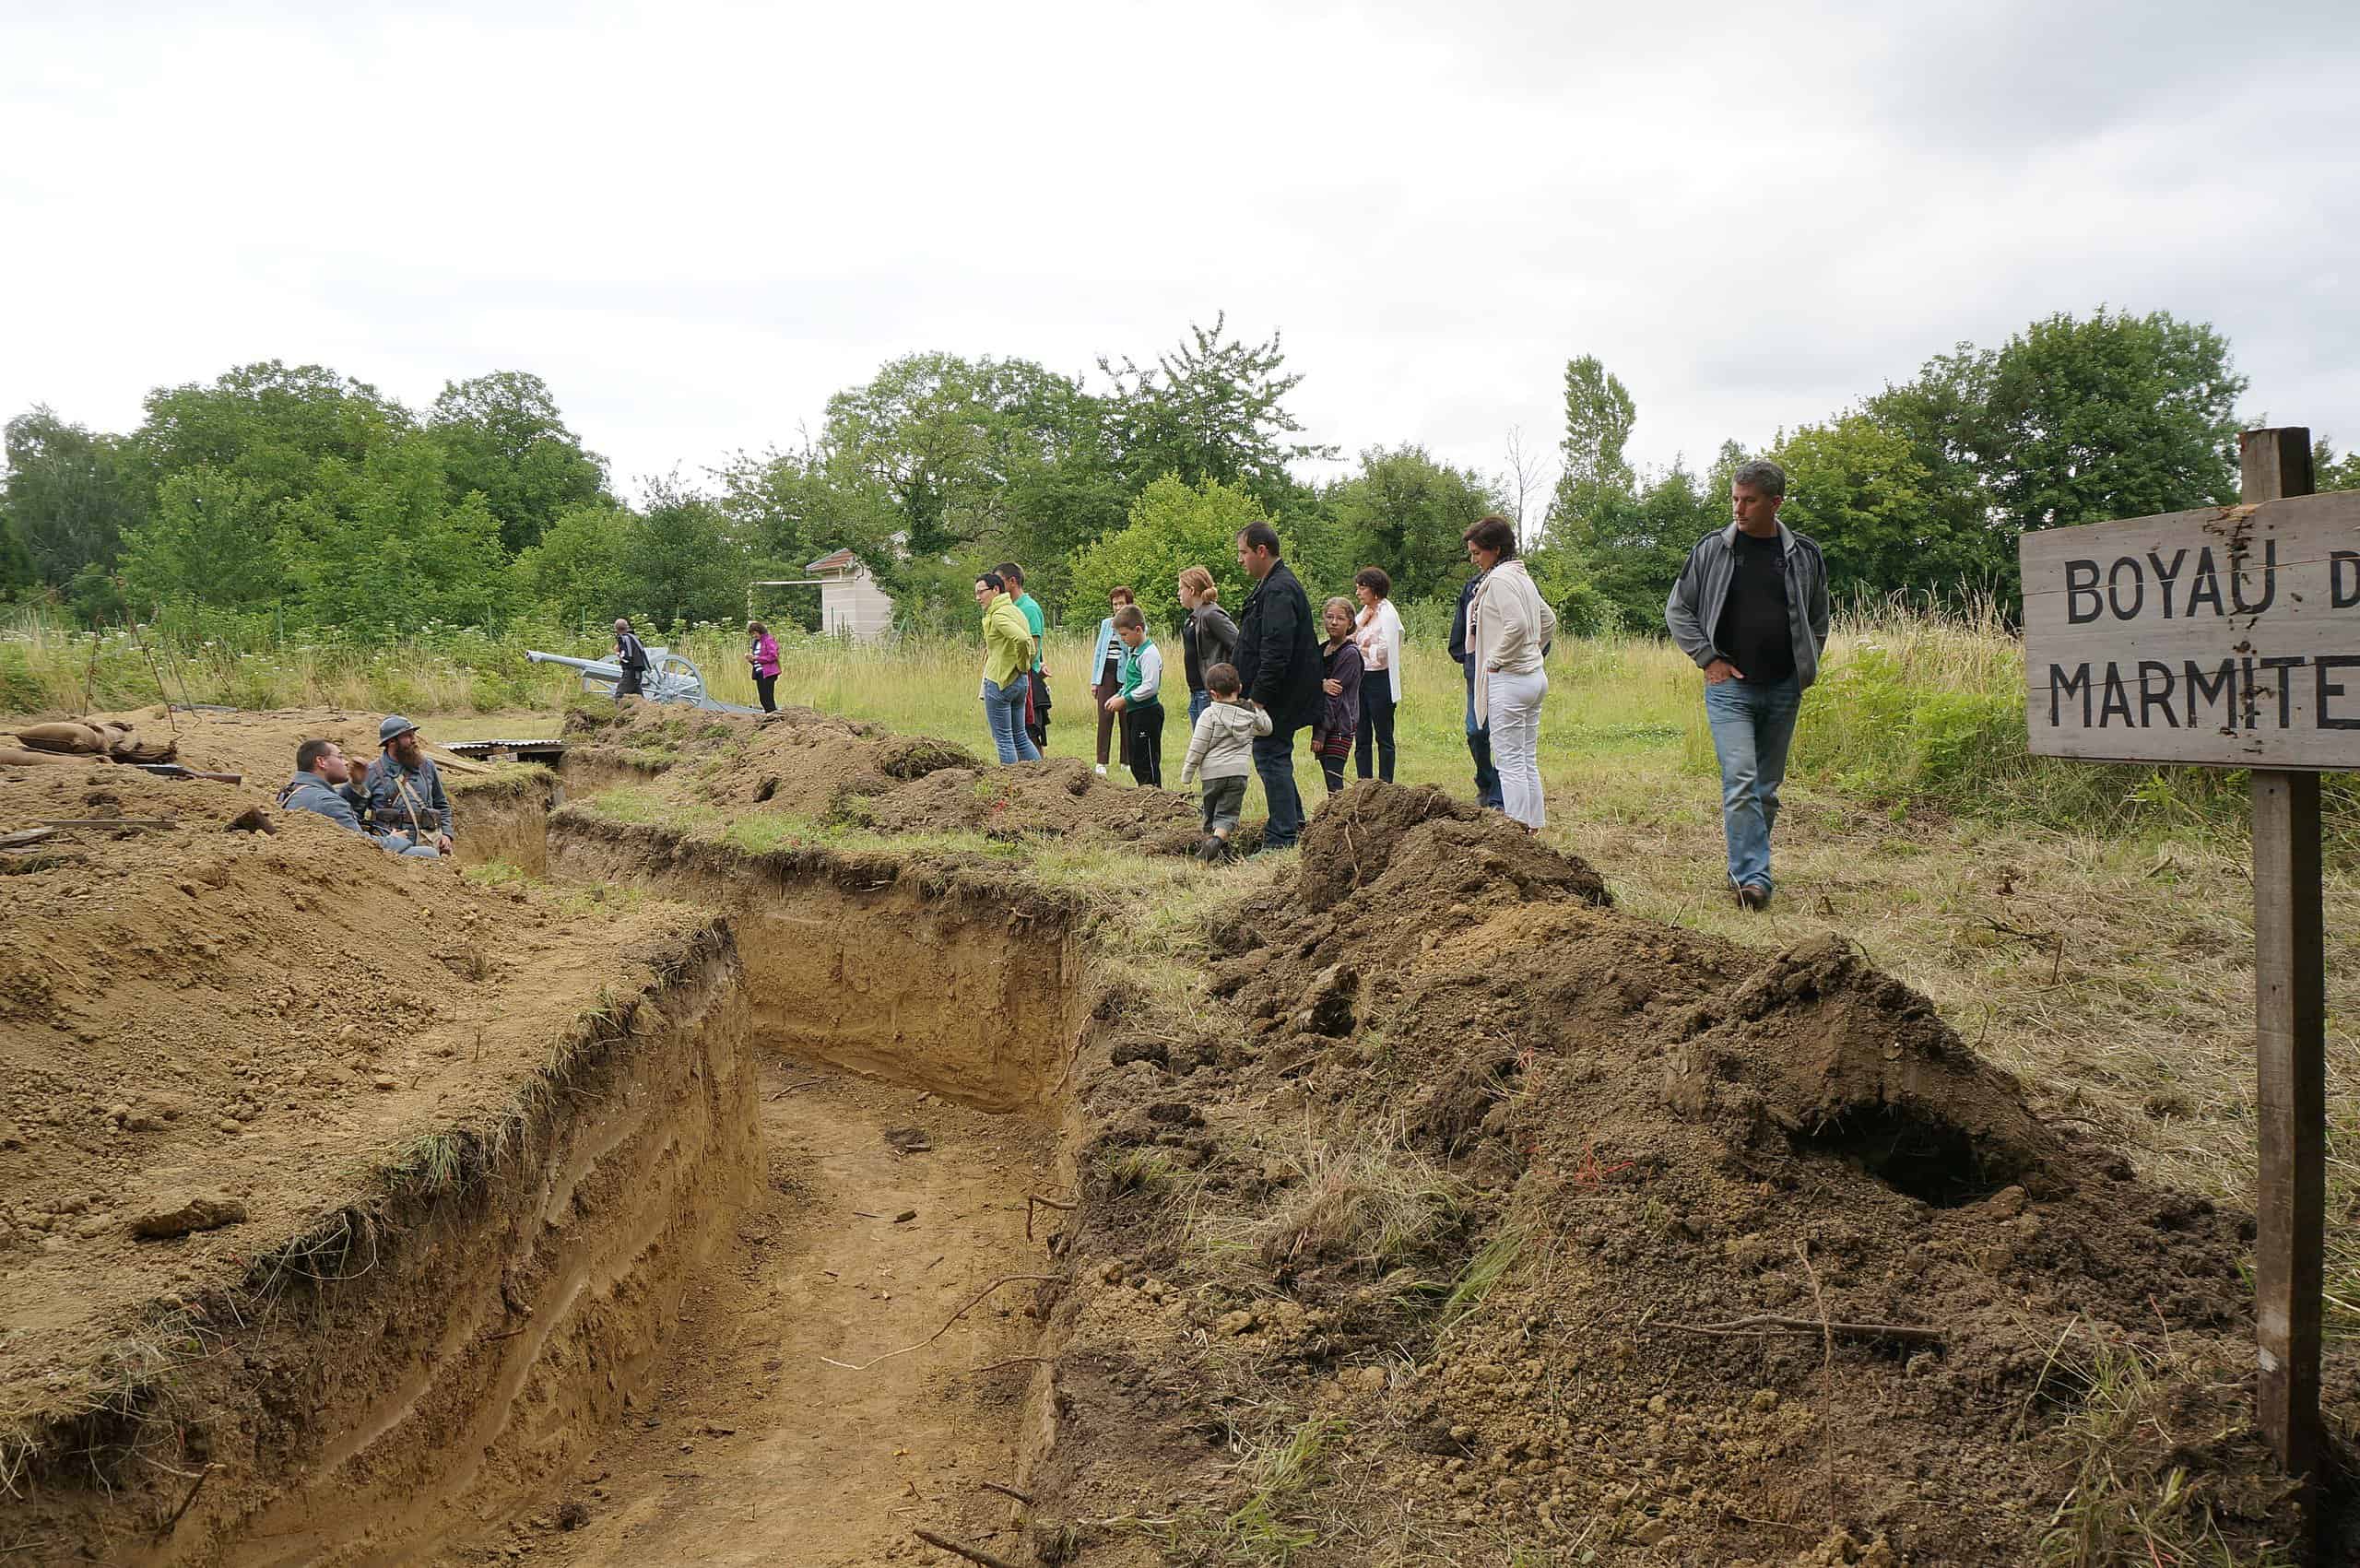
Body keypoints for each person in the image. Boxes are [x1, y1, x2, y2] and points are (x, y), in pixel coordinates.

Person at [1665, 457, 1831, 911]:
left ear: (1775, 502)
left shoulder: (1804, 554)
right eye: (1735, 499)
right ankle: (1752, 879)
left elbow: (1819, 618)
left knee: (1765, 789)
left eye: (1749, 501)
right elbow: (1678, 610)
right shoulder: (1713, 549)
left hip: (1783, 687)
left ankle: (1750, 862)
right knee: (1740, 779)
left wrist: (1805, 667)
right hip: (1730, 690)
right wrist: (1708, 658)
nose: (1738, 509)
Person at [1233, 524, 1321, 852]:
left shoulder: (1279, 591)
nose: (1240, 560)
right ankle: (1295, 824)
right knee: (1274, 756)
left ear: (1261, 551)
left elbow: (1276, 652)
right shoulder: (1271, 586)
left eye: (1243, 552)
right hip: (1279, 693)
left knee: (1271, 756)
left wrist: (1257, 699)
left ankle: (1282, 837)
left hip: (1280, 696)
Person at [1464, 516, 1554, 833]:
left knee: (1509, 762)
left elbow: (1517, 625)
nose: (1474, 560)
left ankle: (1516, 834)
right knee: (1526, 758)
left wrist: (1496, 660)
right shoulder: (1521, 576)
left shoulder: (1501, 580)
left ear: (1496, 549)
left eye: (1478, 553)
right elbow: (1549, 621)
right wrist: (1532, 651)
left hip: (1511, 680)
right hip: (1533, 677)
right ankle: (1533, 827)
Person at [280, 739, 440, 857]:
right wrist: (395, 840)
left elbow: (340, 811)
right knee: (429, 854)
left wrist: (356, 784)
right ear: (321, 762)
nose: (346, 762)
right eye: (340, 756)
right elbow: (361, 845)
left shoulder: (290, 792)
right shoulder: (326, 801)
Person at [1178, 662, 1270, 862]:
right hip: (1238, 773)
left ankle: (1212, 844)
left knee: (1211, 816)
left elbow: (1198, 746)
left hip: (1212, 774)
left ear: (1213, 694)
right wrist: (1257, 708)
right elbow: (1267, 728)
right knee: (1227, 815)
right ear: (1239, 688)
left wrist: (1188, 772)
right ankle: (1221, 849)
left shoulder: (1209, 715)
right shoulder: (1249, 714)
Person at [361, 715, 455, 855]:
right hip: (393, 849)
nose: (414, 740)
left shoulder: (427, 766)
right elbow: (354, 813)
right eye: (408, 736)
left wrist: (446, 834)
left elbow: (441, 804)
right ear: (392, 741)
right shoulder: (371, 772)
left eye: (413, 735)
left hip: (429, 841)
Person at [1449, 565, 1503, 809]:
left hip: (1506, 671)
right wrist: (1468, 657)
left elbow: (1537, 624)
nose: (1473, 559)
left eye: (1478, 552)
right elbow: (1459, 630)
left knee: (1503, 733)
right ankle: (1485, 779)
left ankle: (1499, 797)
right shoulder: (1472, 587)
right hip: (1476, 673)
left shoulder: (1512, 583)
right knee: (1476, 731)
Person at [976, 572, 1042, 764]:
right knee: (1020, 737)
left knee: (1004, 739)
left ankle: (1010, 786)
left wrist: (1022, 664)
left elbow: (1021, 639)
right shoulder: (1015, 610)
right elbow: (1029, 641)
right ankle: (1043, 779)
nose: (978, 597)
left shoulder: (998, 615)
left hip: (1000, 681)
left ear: (995, 590)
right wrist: (1024, 666)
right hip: (1020, 682)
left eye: (981, 592)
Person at [1351, 567, 1404, 782]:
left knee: (1383, 735)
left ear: (1375, 590)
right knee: (1361, 734)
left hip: (1380, 679)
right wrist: (1359, 636)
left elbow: (1383, 653)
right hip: (1360, 677)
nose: (1358, 592)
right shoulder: (1364, 613)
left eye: (1362, 587)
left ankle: (1385, 784)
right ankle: (1364, 782)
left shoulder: (1388, 615)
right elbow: (1350, 636)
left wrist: (1359, 647)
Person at [1103, 606, 1166, 787]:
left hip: (1147, 713)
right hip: (1135, 713)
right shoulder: (1134, 652)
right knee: (1136, 759)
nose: (1123, 640)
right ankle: (1143, 791)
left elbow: (1150, 686)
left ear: (1138, 630)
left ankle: (1154, 793)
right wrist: (1118, 694)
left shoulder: (1149, 654)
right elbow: (1131, 682)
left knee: (1147, 759)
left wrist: (1125, 700)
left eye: (1124, 635)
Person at [997, 561, 1052, 754]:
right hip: (1011, 677)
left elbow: (1034, 647)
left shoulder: (1029, 608)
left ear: (1012, 581)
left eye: (1000, 581)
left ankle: (1038, 777)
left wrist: (1029, 665)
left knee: (1030, 733)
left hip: (1027, 678)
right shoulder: (1008, 607)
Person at [1312, 596, 1364, 795]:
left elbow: (1334, 696)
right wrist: (1320, 684)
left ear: (1350, 623)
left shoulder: (1349, 654)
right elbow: (1307, 679)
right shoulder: (1322, 649)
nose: (1334, 622)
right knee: (1328, 779)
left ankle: (1340, 821)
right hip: (1323, 721)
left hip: (1339, 725)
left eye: (1340, 618)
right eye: (1329, 617)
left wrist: (1320, 734)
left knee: (1335, 782)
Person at [1177, 566, 1240, 728]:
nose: (1178, 593)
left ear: (1191, 590)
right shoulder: (1192, 618)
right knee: (1201, 746)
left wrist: (1225, 680)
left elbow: (1239, 646)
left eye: (1180, 589)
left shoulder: (1211, 614)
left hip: (1211, 693)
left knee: (1212, 747)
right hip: (1197, 692)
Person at [1088, 586, 1136, 776]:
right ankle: (1101, 761)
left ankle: (1126, 760)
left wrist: (1121, 631)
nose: (1117, 607)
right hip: (1106, 673)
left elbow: (1131, 650)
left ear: (1129, 604)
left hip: (1126, 673)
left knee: (1126, 717)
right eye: (1115, 604)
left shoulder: (1137, 624)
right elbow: (1099, 652)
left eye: (1121, 604)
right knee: (1105, 716)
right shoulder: (1106, 624)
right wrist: (1094, 681)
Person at [746, 620, 780, 713]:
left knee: (767, 698)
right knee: (763, 698)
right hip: (760, 673)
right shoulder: (756, 643)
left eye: (754, 633)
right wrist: (752, 660)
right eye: (752, 634)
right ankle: (771, 716)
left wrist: (757, 658)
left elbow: (773, 656)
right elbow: (758, 660)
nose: (754, 636)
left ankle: (773, 717)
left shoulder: (768, 640)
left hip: (768, 673)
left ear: (759, 631)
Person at [612, 619, 650, 699]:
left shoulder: (623, 639)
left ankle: (616, 711)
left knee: (620, 695)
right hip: (637, 671)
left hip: (630, 671)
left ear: (616, 629)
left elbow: (626, 657)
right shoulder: (634, 638)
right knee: (638, 696)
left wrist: (617, 653)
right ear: (627, 627)